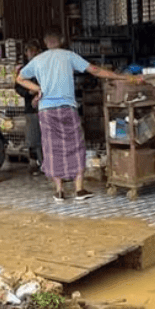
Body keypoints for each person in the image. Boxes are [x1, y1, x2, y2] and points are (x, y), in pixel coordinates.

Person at [16, 28, 142, 202]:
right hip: (67, 107)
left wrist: (38, 89)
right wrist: (120, 77)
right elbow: (95, 70)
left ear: (45, 43)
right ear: (61, 40)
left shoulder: (38, 60)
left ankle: (59, 191)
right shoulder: (69, 56)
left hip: (46, 110)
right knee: (75, 145)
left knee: (52, 149)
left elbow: (20, 78)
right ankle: (79, 189)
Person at [15, 40, 44, 175]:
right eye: (29, 50)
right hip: (31, 108)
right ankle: (38, 163)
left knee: (46, 136)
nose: (31, 53)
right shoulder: (24, 69)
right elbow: (18, 88)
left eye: (34, 50)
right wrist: (29, 93)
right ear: (26, 53)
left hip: (45, 106)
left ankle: (46, 163)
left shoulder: (44, 65)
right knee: (34, 138)